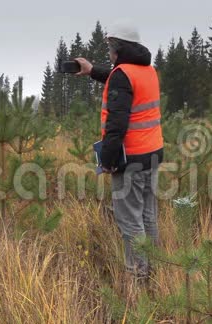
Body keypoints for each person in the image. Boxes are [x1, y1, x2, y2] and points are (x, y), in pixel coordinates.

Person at [74, 23, 164, 283]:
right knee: (148, 216)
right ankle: (154, 274)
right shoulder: (147, 70)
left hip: (131, 160)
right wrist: (92, 71)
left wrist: (110, 161)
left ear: (119, 48)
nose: (110, 53)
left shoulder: (123, 75)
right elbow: (119, 80)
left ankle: (138, 279)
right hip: (152, 155)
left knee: (130, 221)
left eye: (111, 48)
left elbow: (116, 124)